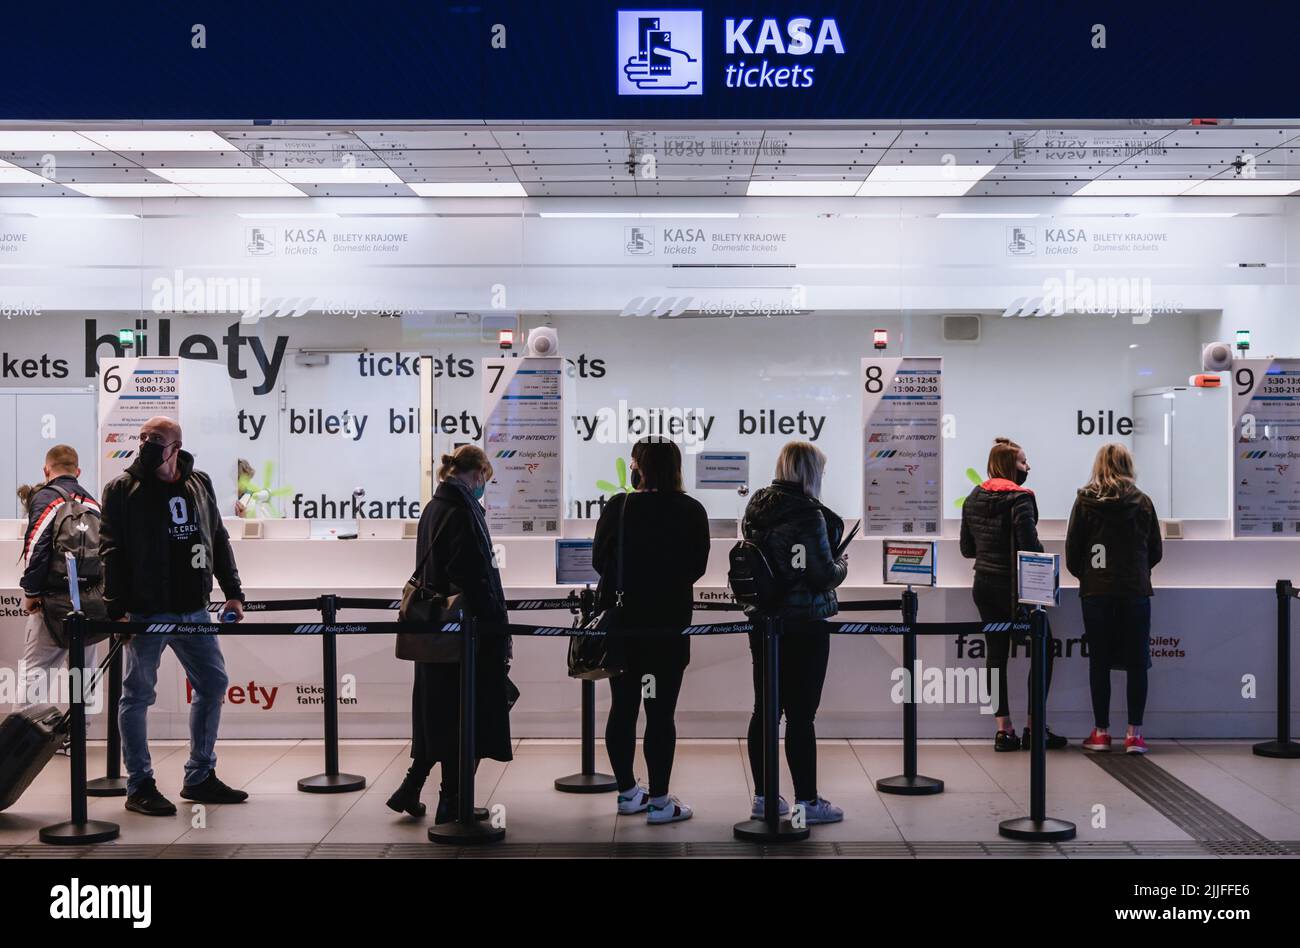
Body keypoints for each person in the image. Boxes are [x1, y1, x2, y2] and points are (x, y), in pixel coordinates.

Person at [100, 416, 248, 815]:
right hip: (144, 613)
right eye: (144, 437)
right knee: (137, 695)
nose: (147, 444)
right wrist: (118, 611)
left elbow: (217, 536)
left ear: (176, 446)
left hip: (194, 608)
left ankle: (199, 776)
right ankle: (139, 784)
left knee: (214, 683)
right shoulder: (121, 489)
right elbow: (110, 551)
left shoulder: (199, 483)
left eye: (157, 439)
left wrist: (233, 592)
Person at [387, 445, 513, 823]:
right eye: (485, 480)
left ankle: (412, 788)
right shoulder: (462, 512)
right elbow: (475, 576)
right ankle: (451, 801)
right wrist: (496, 626)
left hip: (434, 631)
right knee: (466, 715)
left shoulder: (434, 507)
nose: (483, 488)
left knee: (437, 715)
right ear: (477, 474)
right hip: (463, 634)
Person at [592, 437, 710, 825]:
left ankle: (627, 793)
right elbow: (696, 568)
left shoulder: (619, 506)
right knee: (661, 714)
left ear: (639, 468)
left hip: (624, 628)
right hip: (667, 628)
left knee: (622, 709)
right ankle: (660, 801)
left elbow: (598, 562)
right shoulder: (691, 510)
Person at [738, 441, 847, 825]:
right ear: (810, 473)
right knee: (801, 716)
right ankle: (807, 802)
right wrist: (841, 564)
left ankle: (764, 796)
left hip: (764, 622)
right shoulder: (809, 514)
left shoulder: (756, 508)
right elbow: (822, 574)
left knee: (765, 710)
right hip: (804, 623)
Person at [960, 436, 1066, 751]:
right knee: (1044, 649)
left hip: (985, 585)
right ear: (1010, 466)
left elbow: (967, 549)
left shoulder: (973, 496)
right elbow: (1029, 546)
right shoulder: (1021, 498)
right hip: (1018, 588)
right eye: (1022, 462)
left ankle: (1003, 730)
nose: (1028, 467)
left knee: (995, 655)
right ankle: (1034, 727)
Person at [1066, 444, 1162, 755]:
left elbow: (1073, 554)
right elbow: (1155, 551)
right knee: (1137, 664)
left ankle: (1102, 732)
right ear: (1128, 465)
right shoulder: (1143, 502)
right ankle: (1135, 734)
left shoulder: (1084, 502)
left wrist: (1091, 578)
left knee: (1100, 663)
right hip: (1134, 591)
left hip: (1096, 594)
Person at [16, 445, 102, 713]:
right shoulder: (92, 502)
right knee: (84, 675)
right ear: (78, 471)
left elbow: (36, 547)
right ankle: (79, 736)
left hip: (52, 602)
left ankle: (25, 743)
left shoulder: (45, 498)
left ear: (46, 470)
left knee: (36, 674)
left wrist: (31, 592)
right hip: (91, 602)